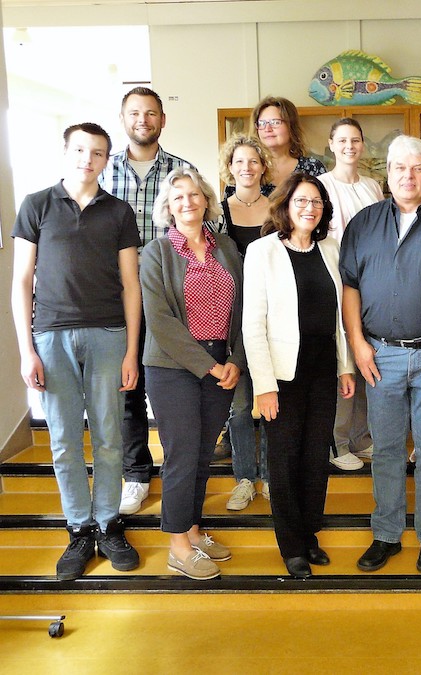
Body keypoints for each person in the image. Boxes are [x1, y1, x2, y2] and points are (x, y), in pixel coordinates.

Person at [12, 122, 142, 580]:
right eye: (81, 150)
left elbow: (131, 285)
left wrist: (131, 350)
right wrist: (26, 350)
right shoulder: (37, 205)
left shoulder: (119, 212)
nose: (88, 159)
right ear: (66, 152)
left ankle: (108, 523)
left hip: (108, 335)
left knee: (109, 435)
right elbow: (21, 282)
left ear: (107, 160)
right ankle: (79, 528)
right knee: (65, 440)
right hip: (51, 337)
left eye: (98, 152)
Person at [340, 135, 421, 575]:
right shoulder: (364, 223)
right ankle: (387, 533)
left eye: (417, 168)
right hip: (380, 355)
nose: (408, 176)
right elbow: (351, 286)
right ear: (388, 174)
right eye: (400, 168)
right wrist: (357, 343)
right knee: (388, 449)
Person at [243, 172, 355, 578]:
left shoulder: (331, 248)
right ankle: (291, 545)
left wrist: (345, 366)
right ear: (286, 205)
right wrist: (264, 386)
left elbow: (340, 317)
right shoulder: (262, 251)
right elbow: (253, 325)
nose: (310, 208)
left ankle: (309, 534)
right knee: (285, 458)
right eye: (302, 201)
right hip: (282, 375)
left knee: (315, 456)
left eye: (317, 202)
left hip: (323, 367)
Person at [141, 167, 244, 580]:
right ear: (168, 207)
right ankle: (178, 547)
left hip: (222, 363)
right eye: (178, 196)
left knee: (202, 455)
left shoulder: (227, 248)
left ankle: (194, 531)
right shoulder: (156, 252)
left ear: (206, 201)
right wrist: (209, 365)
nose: (187, 201)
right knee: (182, 455)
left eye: (194, 194)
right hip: (173, 367)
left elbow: (244, 308)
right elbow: (160, 321)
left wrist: (236, 360)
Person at [101, 86, 197, 517]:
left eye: (151, 113)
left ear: (163, 119)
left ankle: (182, 469)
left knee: (173, 384)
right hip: (115, 296)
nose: (143, 120)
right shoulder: (104, 171)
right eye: (135, 113)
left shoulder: (183, 172)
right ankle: (137, 473)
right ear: (123, 119)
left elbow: (200, 232)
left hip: (170, 298)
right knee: (127, 387)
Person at [319, 118, 384, 471]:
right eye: (342, 140)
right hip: (335, 278)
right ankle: (337, 441)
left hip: (370, 282)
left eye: (355, 140)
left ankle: (362, 436)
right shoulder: (321, 185)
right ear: (331, 144)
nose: (349, 146)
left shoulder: (372, 185)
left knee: (365, 357)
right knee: (342, 360)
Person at [215, 134, 274, 510]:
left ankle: (269, 476)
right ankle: (244, 479)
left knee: (270, 399)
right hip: (230, 317)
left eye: (254, 160)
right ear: (230, 167)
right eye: (239, 161)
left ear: (263, 166)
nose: (247, 167)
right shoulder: (218, 212)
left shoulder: (278, 208)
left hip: (271, 316)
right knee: (238, 406)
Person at [226, 96, 325, 198]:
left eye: (275, 122)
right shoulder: (244, 169)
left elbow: (324, 204)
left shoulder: (313, 168)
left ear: (291, 126)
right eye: (262, 123)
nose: (267, 129)